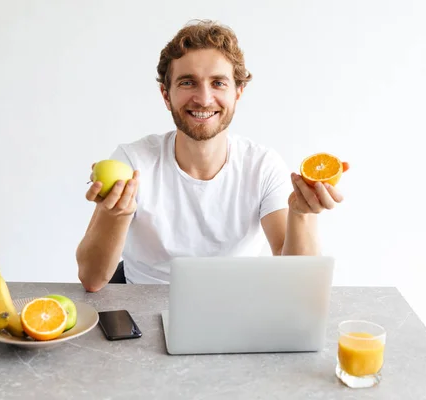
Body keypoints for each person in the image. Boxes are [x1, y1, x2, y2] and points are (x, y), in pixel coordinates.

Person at [76, 20, 349, 292]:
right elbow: (92, 279)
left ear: (237, 92)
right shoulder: (133, 161)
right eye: (187, 82)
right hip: (142, 306)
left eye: (218, 83)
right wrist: (117, 214)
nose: (204, 98)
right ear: (166, 95)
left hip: (236, 309)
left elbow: (298, 285)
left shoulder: (262, 166)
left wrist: (301, 214)